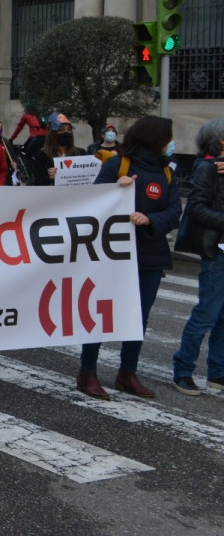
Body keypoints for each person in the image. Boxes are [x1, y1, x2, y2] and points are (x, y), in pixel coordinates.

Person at [77, 116, 181, 400]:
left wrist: (150, 220)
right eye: (167, 138)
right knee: (100, 311)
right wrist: (114, 189)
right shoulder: (118, 164)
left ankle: (127, 373)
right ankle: (88, 372)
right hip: (114, 255)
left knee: (138, 317)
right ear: (153, 138)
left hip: (150, 255)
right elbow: (92, 201)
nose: (170, 144)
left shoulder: (168, 173)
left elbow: (174, 212)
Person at [171, 118, 224, 396]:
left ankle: (217, 373)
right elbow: (195, 209)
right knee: (206, 314)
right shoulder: (207, 168)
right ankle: (182, 370)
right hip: (216, 251)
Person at [29, 113, 85, 186]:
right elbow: (36, 183)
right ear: (52, 134)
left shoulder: (80, 153)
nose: (66, 132)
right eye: (61, 130)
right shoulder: (42, 156)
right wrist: (48, 178)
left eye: (69, 130)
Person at [0, 117, 31, 186]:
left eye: (1, 127)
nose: (0, 129)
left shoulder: (5, 142)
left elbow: (12, 157)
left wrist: (15, 164)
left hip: (4, 175)